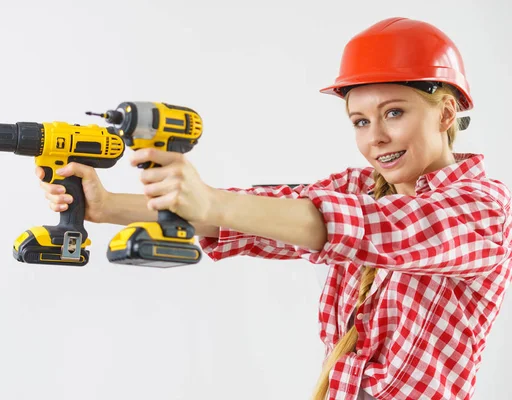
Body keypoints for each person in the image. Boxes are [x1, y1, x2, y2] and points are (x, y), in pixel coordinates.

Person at [37, 17, 512, 400]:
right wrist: (108, 207)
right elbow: (263, 217)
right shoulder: (361, 187)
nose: (375, 138)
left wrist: (211, 199)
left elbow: (376, 230)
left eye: (394, 112)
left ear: (446, 113)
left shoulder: (484, 210)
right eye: (360, 121)